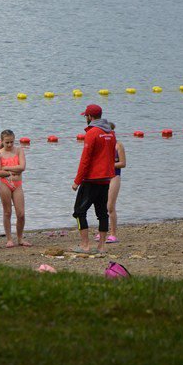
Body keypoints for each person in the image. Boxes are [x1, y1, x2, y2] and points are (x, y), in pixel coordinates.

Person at [71, 104, 116, 254]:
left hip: (91, 180)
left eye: (86, 116)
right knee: (102, 213)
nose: (86, 118)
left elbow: (85, 159)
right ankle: (101, 246)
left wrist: (77, 181)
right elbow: (111, 157)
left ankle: (85, 245)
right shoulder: (111, 133)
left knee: (79, 212)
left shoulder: (92, 133)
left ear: (90, 117)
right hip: (106, 179)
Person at [0, 129, 32, 248]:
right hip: (4, 184)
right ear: (2, 141)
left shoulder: (19, 150)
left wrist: (6, 168)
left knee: (21, 213)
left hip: (17, 184)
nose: (10, 144)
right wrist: (12, 172)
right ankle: (9, 239)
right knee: (7, 212)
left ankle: (20, 238)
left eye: (11, 142)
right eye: (7, 142)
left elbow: (22, 167)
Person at [96, 122, 126, 243]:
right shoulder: (102, 145)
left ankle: (113, 234)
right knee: (101, 206)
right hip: (102, 177)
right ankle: (102, 232)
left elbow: (123, 163)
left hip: (114, 176)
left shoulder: (118, 145)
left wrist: (109, 165)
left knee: (110, 206)